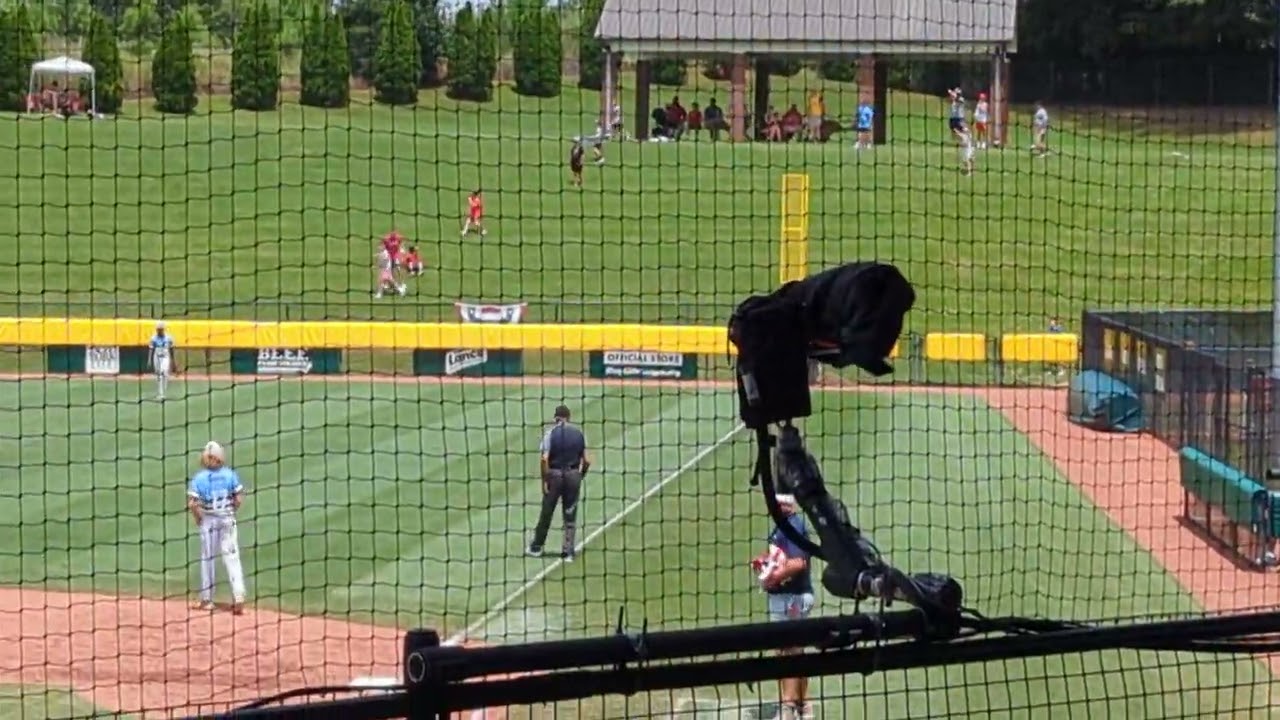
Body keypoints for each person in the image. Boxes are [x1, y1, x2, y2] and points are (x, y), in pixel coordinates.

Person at [756, 494, 815, 720]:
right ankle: (804, 707)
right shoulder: (785, 526)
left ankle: (789, 709)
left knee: (787, 652)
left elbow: (799, 562)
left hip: (792, 598)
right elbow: (782, 558)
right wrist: (765, 565)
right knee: (792, 651)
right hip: (789, 597)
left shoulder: (793, 526)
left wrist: (772, 577)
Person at [188, 441, 248, 615]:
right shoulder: (230, 475)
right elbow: (238, 498)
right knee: (232, 557)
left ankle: (207, 599)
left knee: (208, 558)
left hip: (209, 521)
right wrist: (230, 512)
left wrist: (199, 518)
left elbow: (192, 503)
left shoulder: (200, 478)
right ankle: (238, 595)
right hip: (227, 519)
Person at [527, 405, 591, 562]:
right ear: (568, 418)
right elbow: (587, 460)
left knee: (546, 513)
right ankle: (568, 552)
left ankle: (536, 547)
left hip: (554, 476)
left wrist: (545, 480)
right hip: (573, 475)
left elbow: (544, 459)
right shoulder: (578, 434)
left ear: (556, 418)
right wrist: (579, 475)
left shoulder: (550, 434)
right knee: (569, 515)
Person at [947, 88, 976, 176]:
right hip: (954, 121)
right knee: (955, 136)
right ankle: (970, 166)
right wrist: (951, 95)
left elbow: (959, 101)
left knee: (960, 137)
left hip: (958, 121)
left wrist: (953, 94)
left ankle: (969, 170)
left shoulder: (960, 100)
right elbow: (950, 100)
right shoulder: (953, 101)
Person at [148, 321, 176, 401]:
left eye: (161, 329)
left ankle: (164, 392)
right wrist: (149, 359)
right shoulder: (153, 338)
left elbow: (171, 349)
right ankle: (160, 393)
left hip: (165, 357)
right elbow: (151, 349)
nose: (159, 331)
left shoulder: (168, 338)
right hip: (156, 356)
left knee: (165, 372)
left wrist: (173, 360)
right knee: (158, 374)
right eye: (158, 329)